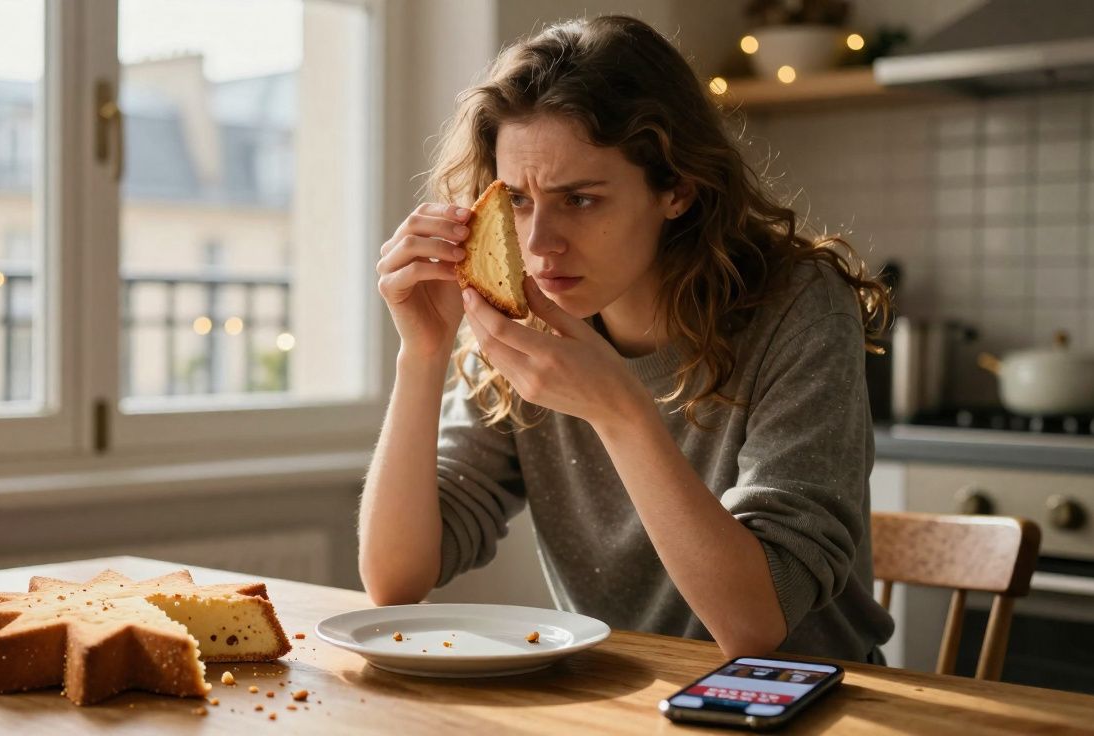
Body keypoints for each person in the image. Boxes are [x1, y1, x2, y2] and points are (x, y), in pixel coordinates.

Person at [358, 14, 894, 663]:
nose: (538, 245)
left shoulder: (799, 307)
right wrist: (422, 353)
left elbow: (756, 625)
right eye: (518, 202)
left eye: (580, 200)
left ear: (678, 187)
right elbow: (395, 577)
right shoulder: (530, 322)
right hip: (619, 699)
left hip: (805, 703)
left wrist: (619, 410)